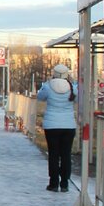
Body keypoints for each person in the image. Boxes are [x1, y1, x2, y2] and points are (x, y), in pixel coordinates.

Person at [36, 63, 78, 192]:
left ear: (54, 73)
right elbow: (77, 98)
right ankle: (64, 183)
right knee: (66, 154)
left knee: (53, 154)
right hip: (68, 126)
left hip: (52, 126)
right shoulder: (73, 87)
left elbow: (40, 97)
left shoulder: (48, 86)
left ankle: (53, 183)